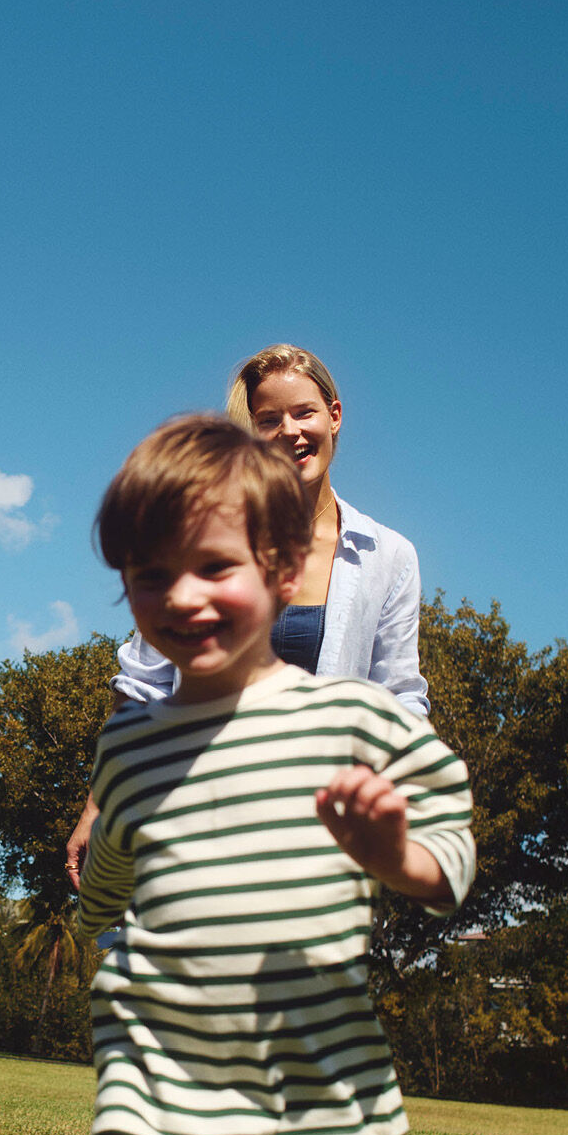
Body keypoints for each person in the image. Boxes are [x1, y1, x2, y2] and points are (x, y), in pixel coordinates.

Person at [71, 415, 474, 1135]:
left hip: (314, 1103)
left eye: (214, 567)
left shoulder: (353, 723)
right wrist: (95, 905)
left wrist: (394, 856)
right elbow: (112, 875)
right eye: (148, 576)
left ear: (283, 571)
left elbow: (450, 850)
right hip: (157, 1089)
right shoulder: (128, 747)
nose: (182, 598)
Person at [65, 344, 428, 889]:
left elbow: (400, 698)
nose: (290, 431)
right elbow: (142, 682)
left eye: (304, 412)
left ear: (335, 415)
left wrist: (405, 805)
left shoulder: (389, 557)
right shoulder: (211, 535)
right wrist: (98, 802)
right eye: (268, 420)